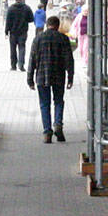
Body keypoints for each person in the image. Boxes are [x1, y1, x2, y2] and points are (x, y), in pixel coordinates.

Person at [27, 14, 76, 144]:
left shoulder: (38, 39)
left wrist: (30, 79)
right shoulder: (63, 39)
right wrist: (70, 77)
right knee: (59, 101)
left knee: (44, 104)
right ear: (58, 26)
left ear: (46, 25)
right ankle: (58, 124)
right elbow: (69, 59)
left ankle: (47, 132)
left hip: (42, 76)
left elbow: (32, 59)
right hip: (59, 75)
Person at [3, 0, 33, 71]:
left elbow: (8, 21)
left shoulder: (11, 9)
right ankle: (21, 65)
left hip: (13, 32)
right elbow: (31, 19)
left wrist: (6, 31)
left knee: (13, 49)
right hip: (23, 32)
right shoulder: (27, 8)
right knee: (22, 47)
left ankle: (13, 65)